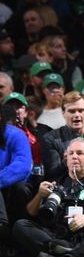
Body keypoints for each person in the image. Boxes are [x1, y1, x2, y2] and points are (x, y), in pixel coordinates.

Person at [0, 103, 33, 247]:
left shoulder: (15, 134)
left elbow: (22, 166)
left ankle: (14, 237)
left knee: (20, 188)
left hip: (11, 186)